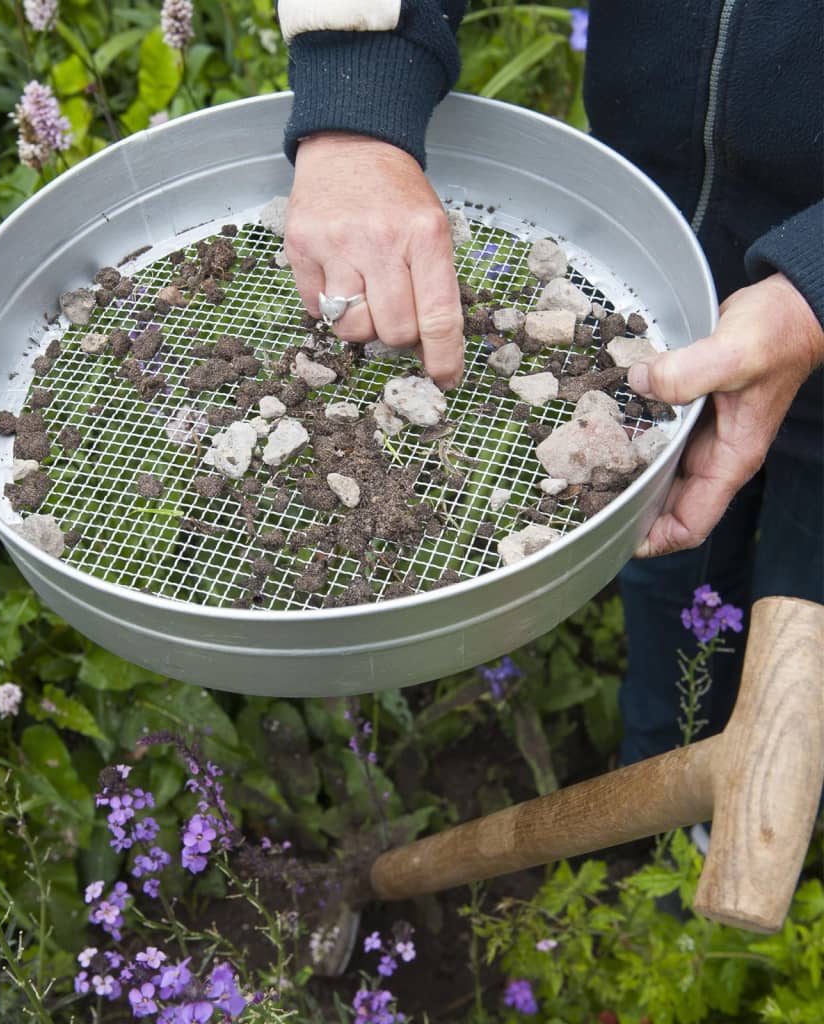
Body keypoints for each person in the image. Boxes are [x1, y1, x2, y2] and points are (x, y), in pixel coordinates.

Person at [276, 1, 824, 765]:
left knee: (808, 623)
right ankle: (664, 781)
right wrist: (357, 92)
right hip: (649, 258)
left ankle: (778, 792)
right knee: (669, 563)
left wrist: (814, 287)